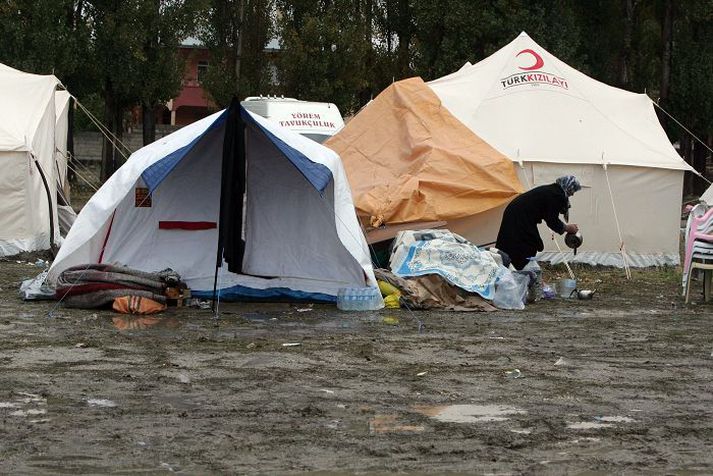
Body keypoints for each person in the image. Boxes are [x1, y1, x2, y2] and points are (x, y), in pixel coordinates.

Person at [495, 175, 581, 270]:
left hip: (517, 214)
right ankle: (516, 270)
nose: (572, 194)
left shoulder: (554, 190)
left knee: (519, 241)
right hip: (519, 217)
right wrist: (567, 228)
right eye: (573, 190)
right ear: (568, 187)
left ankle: (510, 267)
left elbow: (546, 212)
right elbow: (552, 220)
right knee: (525, 244)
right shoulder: (557, 195)